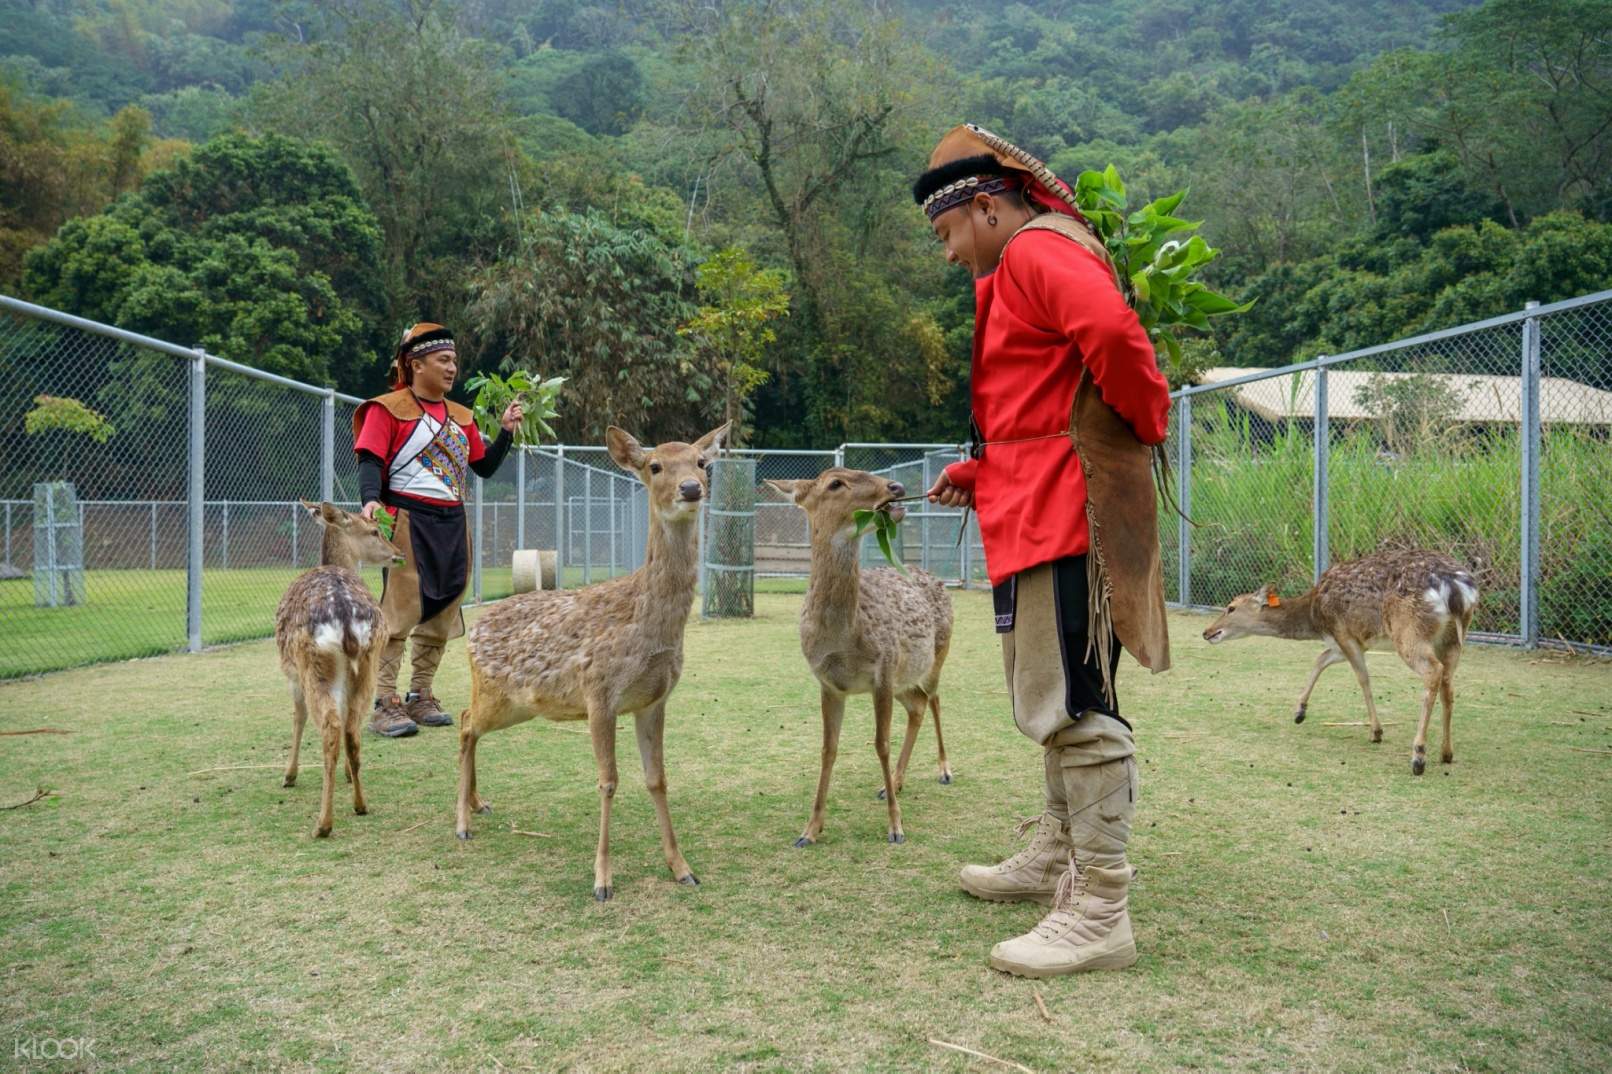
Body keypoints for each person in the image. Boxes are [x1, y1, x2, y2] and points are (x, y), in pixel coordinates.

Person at [916, 124, 1173, 976]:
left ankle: (1101, 907)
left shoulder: (1032, 252)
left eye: (947, 234)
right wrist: (982, 468)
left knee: (1077, 700)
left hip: (1065, 510)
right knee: (1054, 693)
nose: (948, 254)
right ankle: (1061, 857)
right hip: (1031, 507)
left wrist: (1140, 428)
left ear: (985, 207)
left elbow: (1112, 333)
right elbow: (1039, 401)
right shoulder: (1020, 260)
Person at [353, 323, 523, 738]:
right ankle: (385, 700)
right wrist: (371, 500)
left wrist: (505, 431)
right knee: (401, 608)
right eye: (444, 360)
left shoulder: (461, 418)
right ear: (416, 364)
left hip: (453, 520)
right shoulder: (387, 408)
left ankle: (421, 693)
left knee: (444, 607)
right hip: (409, 519)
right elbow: (371, 459)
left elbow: (482, 467)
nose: (452, 368)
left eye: (454, 361)